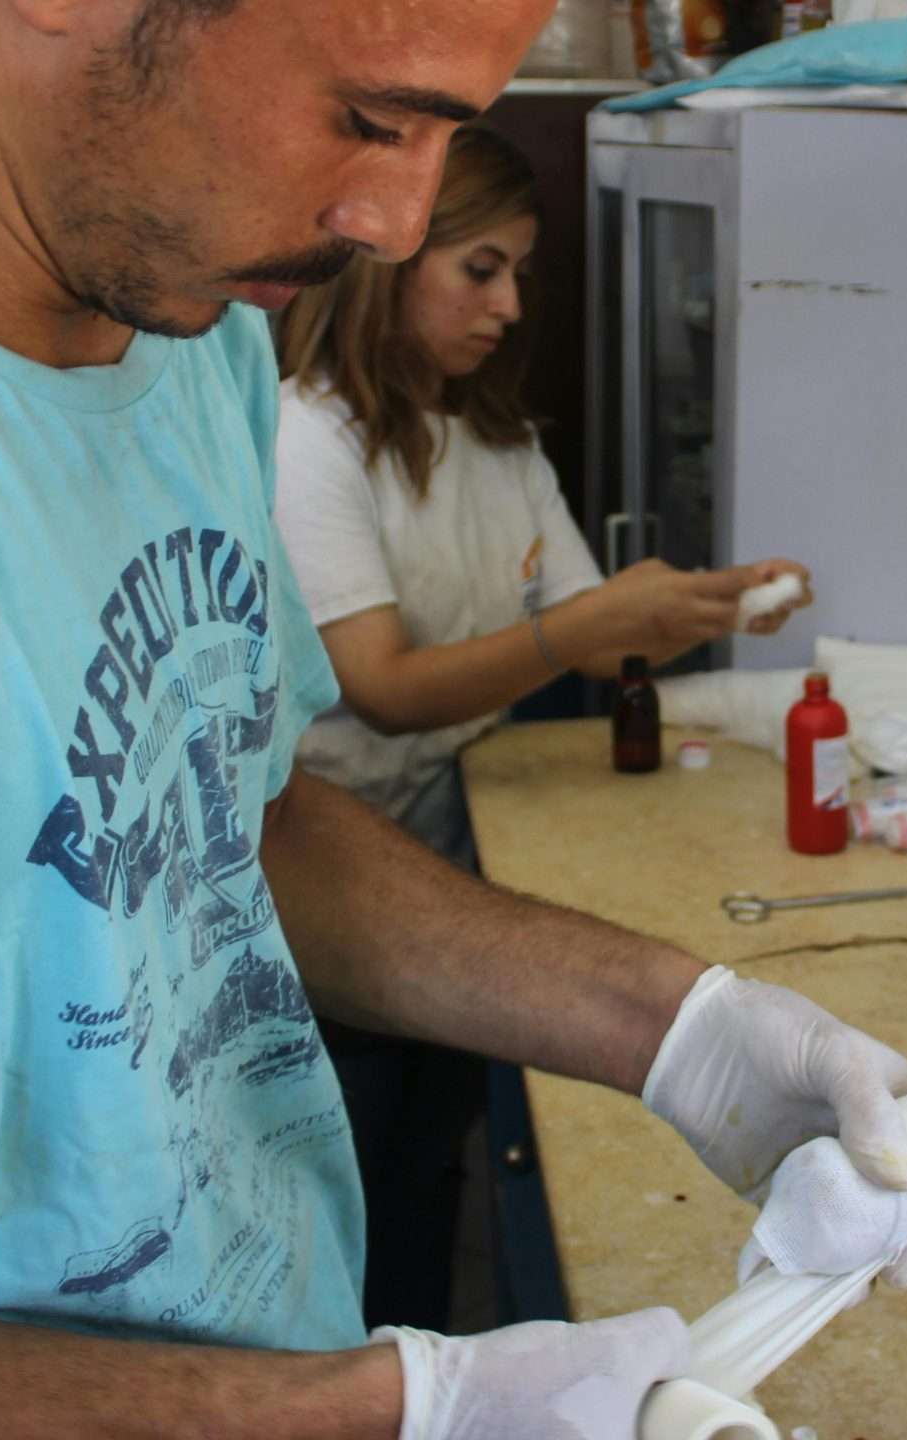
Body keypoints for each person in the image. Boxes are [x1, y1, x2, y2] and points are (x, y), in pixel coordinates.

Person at [0, 3, 907, 1437]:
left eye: (447, 134)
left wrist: (675, 1028)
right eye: (367, 118)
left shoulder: (178, 318)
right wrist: (385, 1407)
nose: (397, 221)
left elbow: (238, 821)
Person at [270, 123, 809, 1337]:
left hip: (447, 859)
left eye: (520, 274)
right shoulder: (307, 439)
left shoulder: (493, 442)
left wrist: (703, 605)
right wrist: (585, 634)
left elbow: (589, 624)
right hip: (315, 889)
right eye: (480, 270)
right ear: (390, 259)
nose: (510, 306)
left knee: (424, 1158)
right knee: (338, 1196)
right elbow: (384, 684)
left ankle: (420, 1351)